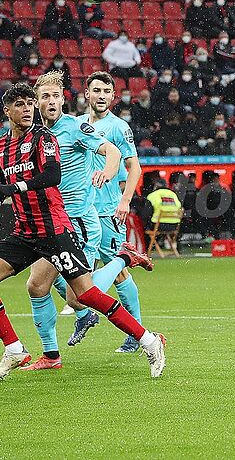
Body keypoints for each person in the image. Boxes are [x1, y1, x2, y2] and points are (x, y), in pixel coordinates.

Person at [0, 83, 165, 380]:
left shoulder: (45, 138)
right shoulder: (0, 146)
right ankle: (17, 350)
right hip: (25, 232)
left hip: (56, 229)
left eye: (31, 103)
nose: (27, 109)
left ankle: (148, 339)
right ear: (6, 110)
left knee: (83, 296)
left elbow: (51, 176)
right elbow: (5, 181)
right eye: (21, 104)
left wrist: (11, 189)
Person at [20, 71, 124, 370]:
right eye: (45, 97)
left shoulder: (76, 127)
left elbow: (112, 151)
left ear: (63, 99)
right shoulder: (32, 135)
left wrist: (107, 172)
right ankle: (51, 356)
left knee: (78, 298)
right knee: (36, 286)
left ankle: (123, 259)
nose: (52, 101)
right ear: (36, 102)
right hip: (51, 222)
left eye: (56, 96)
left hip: (78, 223)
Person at [77, 72, 146, 353]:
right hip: (79, 210)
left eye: (107, 91)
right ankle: (83, 314)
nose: (102, 95)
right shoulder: (77, 124)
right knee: (61, 268)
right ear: (87, 94)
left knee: (118, 273)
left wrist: (125, 201)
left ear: (113, 96)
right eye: (97, 90)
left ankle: (136, 333)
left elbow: (134, 166)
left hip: (107, 212)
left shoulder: (118, 127)